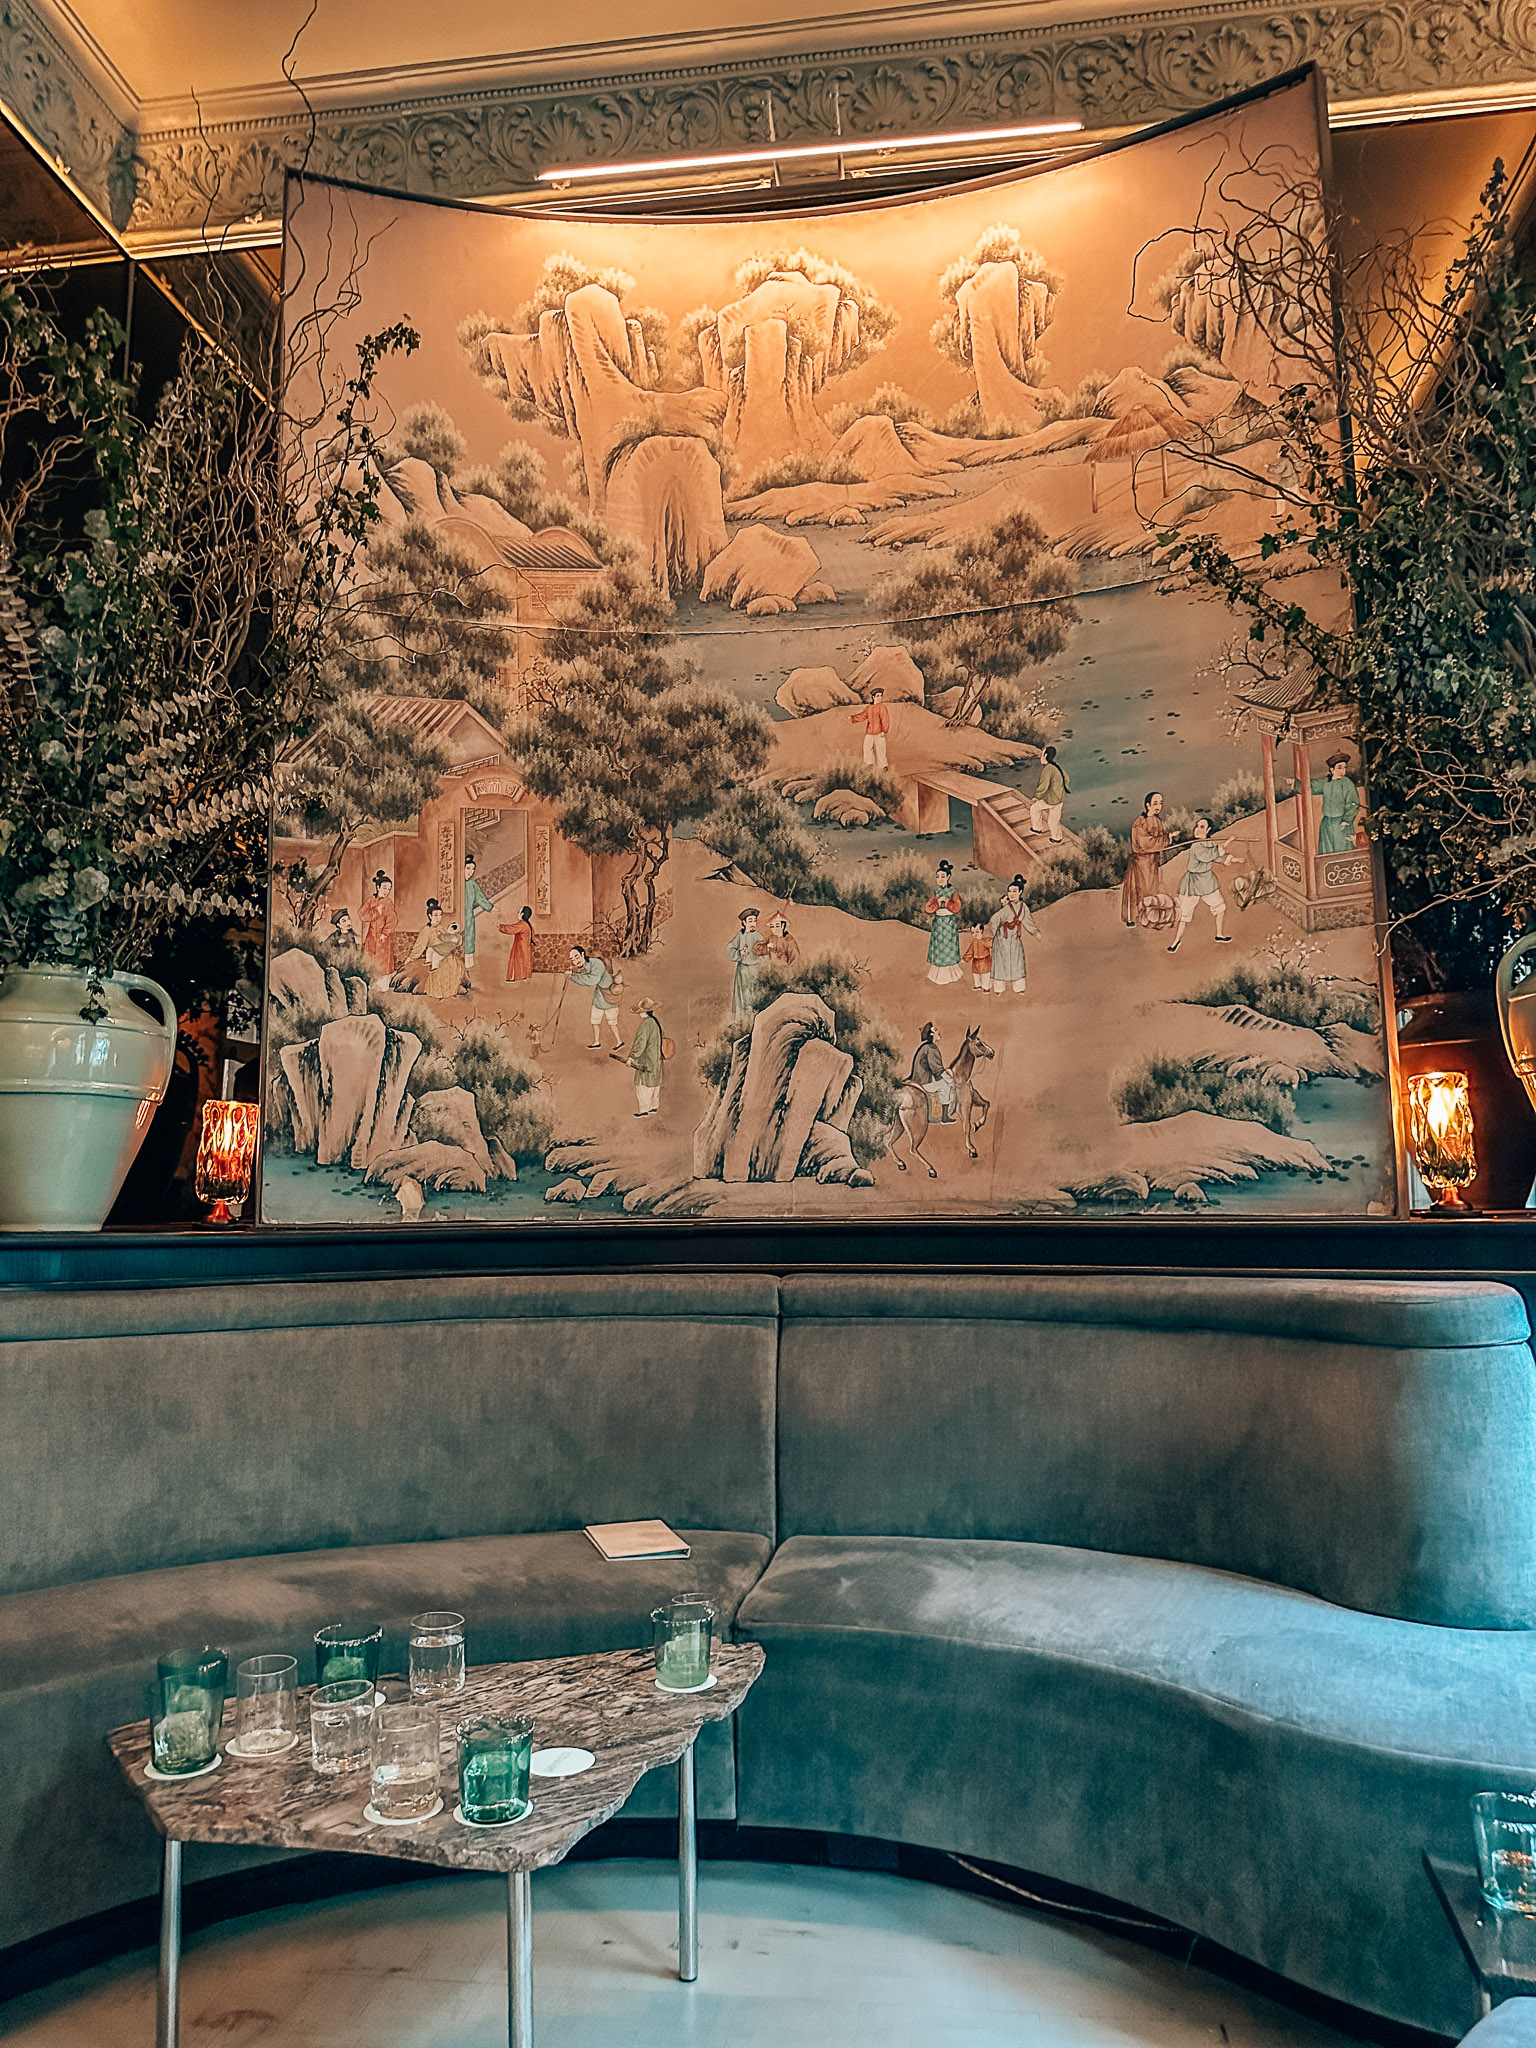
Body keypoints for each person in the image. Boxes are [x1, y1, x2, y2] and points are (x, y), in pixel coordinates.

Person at [1167, 818, 1240, 953]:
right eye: (1197, 826)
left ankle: (1219, 934)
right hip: (1193, 883)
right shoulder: (1195, 846)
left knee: (1220, 907)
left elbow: (1218, 857)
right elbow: (1207, 856)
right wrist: (1227, 842)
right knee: (1184, 914)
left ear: (1208, 831)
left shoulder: (1210, 844)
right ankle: (1176, 941)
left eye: (1202, 827)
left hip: (1207, 881)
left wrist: (1234, 859)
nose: (1197, 829)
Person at [1121, 791, 1170, 928]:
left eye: (1160, 803)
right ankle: (1136, 917)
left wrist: (1167, 838)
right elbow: (1146, 843)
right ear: (1147, 805)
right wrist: (1167, 839)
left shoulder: (1157, 821)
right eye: (1155, 803)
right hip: (1140, 862)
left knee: (1152, 889)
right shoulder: (1139, 823)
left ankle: (1150, 917)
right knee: (1139, 889)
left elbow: (1160, 840)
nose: (1158, 806)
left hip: (1152, 862)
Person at [988, 875, 1039, 994]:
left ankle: (1019, 988)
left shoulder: (1023, 907)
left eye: (1014, 891)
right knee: (1001, 963)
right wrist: (992, 934)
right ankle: (999, 989)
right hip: (1002, 939)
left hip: (1015, 938)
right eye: (1009, 891)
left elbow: (1027, 920)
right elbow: (994, 920)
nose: (1011, 894)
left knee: (1017, 962)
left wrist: (1034, 931)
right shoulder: (1006, 908)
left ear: (1020, 892)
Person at [569, 945, 623, 1049]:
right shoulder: (586, 965)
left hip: (609, 994)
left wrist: (573, 975)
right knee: (595, 1020)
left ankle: (619, 1041)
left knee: (612, 1022)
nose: (575, 961)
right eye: (572, 959)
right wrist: (573, 974)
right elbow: (585, 975)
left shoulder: (596, 964)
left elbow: (592, 980)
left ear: (582, 954)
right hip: (599, 995)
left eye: (577, 957)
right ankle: (596, 1042)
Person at [908, 1022, 958, 1123]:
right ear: (931, 1034)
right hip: (924, 1081)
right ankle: (944, 1117)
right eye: (935, 1031)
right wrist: (950, 1079)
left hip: (922, 1078)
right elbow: (937, 1069)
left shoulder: (925, 1047)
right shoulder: (931, 1048)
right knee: (946, 1086)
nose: (938, 1032)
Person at [393, 898, 445, 992]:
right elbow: (419, 947)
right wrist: (410, 959)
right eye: (436, 915)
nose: (438, 918)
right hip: (433, 956)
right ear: (430, 916)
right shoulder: (426, 930)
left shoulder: (440, 928)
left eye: (440, 915)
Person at [925, 860, 963, 985]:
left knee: (948, 945)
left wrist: (947, 901)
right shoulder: (935, 892)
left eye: (942, 876)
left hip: (949, 922)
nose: (940, 879)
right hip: (938, 922)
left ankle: (950, 974)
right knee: (939, 946)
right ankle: (937, 974)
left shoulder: (953, 892)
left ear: (948, 877)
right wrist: (937, 902)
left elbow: (956, 908)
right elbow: (928, 908)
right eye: (937, 877)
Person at [1316, 752, 1362, 853]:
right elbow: (1311, 786)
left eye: (1344, 767)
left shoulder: (1347, 783)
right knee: (1327, 851)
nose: (1343, 771)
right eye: (1339, 768)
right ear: (1332, 770)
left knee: (1343, 850)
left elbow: (1353, 803)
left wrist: (1347, 819)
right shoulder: (1325, 782)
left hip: (1342, 823)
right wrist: (1295, 783)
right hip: (1327, 824)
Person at [727, 907, 767, 1016]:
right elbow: (729, 949)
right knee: (742, 996)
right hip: (742, 971)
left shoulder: (758, 936)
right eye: (750, 921)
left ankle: (752, 1018)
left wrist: (764, 949)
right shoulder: (740, 936)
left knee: (754, 995)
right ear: (744, 923)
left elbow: (764, 951)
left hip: (755, 969)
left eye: (755, 921)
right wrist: (740, 953)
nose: (753, 923)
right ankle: (741, 1019)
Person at [628, 998, 665, 1117]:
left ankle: (644, 1110)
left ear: (644, 1011)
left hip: (647, 1059)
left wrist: (632, 1057)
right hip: (656, 1059)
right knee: (654, 1084)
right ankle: (654, 1107)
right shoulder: (655, 1023)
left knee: (643, 1085)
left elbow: (640, 1043)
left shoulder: (646, 1025)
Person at [1028, 745, 1070, 843]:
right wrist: (1060, 790)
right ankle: (1057, 838)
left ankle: (1037, 829)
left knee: (1034, 808)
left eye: (1042, 754)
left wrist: (1036, 797)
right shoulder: (1057, 766)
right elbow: (1066, 779)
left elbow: (1044, 785)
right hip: (1059, 798)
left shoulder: (1048, 768)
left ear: (1045, 755)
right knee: (1054, 819)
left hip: (1051, 799)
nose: (1040, 757)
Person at [360, 872, 396, 974]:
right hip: (371, 936)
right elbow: (362, 915)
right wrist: (376, 912)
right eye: (384, 887)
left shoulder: (388, 902)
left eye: (389, 889)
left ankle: (382, 985)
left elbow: (392, 919)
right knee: (370, 959)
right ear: (378, 887)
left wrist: (385, 933)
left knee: (382, 961)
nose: (386, 891)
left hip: (383, 936)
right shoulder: (371, 900)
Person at [462, 855, 494, 965]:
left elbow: (480, 898)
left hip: (468, 914)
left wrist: (490, 907)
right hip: (459, 914)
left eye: (472, 869)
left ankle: (468, 962)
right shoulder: (457, 883)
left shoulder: (472, 884)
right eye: (468, 868)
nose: (470, 871)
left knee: (469, 937)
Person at [849, 687, 890, 770]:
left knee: (880, 749)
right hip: (869, 732)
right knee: (867, 748)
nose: (879, 698)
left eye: (880, 696)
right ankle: (869, 765)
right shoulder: (869, 708)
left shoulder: (882, 707)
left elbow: (885, 719)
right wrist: (852, 717)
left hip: (879, 732)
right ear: (873, 697)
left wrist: (883, 730)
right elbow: (863, 715)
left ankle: (883, 767)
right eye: (877, 696)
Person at [500, 905, 534, 983]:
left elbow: (511, 929)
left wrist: (500, 926)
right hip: (525, 946)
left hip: (520, 946)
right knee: (523, 961)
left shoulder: (522, 924)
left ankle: (513, 977)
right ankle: (523, 976)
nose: (518, 913)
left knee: (516, 960)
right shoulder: (527, 924)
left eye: (519, 912)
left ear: (522, 914)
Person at [962, 922, 993, 992]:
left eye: (977, 932)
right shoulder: (973, 942)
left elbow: (992, 943)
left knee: (985, 975)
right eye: (972, 932)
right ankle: (978, 985)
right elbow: (970, 952)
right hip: (975, 961)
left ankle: (986, 988)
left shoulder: (985, 940)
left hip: (985, 961)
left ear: (982, 931)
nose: (974, 934)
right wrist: (964, 959)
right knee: (976, 975)